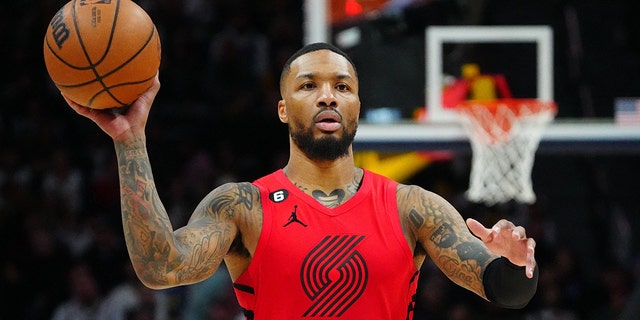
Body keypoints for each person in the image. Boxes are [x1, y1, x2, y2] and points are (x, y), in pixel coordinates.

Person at [63, 42, 538, 319]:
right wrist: (130, 141)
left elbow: (506, 290)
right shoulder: (241, 206)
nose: (328, 96)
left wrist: (515, 262)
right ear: (283, 108)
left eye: (342, 87)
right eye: (309, 85)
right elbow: (160, 268)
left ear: (356, 107)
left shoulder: (412, 207)